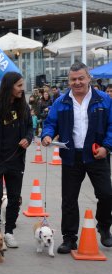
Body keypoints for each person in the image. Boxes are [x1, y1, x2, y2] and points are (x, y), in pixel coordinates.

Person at [42, 62, 112, 254]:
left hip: (97, 155)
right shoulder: (61, 102)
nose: (77, 82)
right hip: (71, 156)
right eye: (73, 79)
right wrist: (47, 135)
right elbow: (50, 123)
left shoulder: (104, 100)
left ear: (89, 78)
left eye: (81, 78)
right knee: (69, 199)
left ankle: (104, 227)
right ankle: (69, 238)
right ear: (69, 81)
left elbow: (111, 126)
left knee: (106, 194)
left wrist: (107, 147)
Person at [0, 72, 33, 248]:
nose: (22, 89)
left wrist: (28, 139)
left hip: (16, 159)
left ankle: (9, 231)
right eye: (18, 85)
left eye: (22, 85)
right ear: (9, 86)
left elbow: (30, 129)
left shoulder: (23, 106)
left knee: (14, 197)